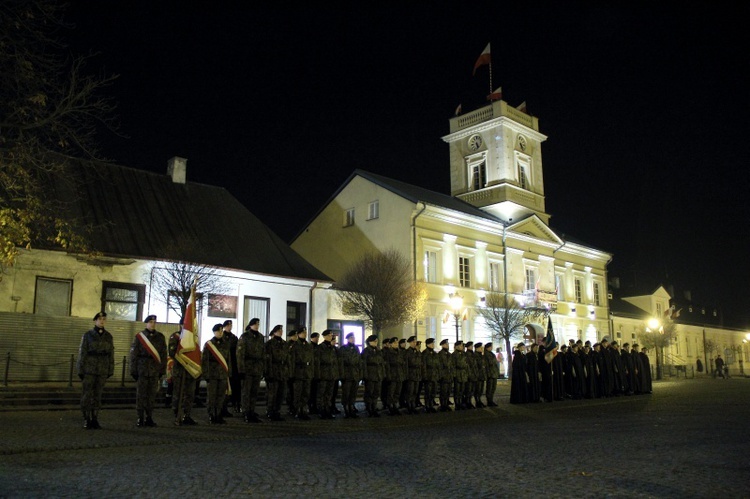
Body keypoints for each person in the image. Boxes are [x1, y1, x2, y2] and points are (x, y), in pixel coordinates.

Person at [76, 312, 114, 430]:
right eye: (99, 319)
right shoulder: (87, 335)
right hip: (89, 369)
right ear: (95, 321)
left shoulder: (108, 336)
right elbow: (82, 353)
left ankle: (95, 418)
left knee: (98, 395)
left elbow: (111, 354)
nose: (102, 321)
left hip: (102, 369)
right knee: (87, 395)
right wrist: (80, 369)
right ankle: (87, 418)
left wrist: (110, 369)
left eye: (104, 319)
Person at [129, 314, 168, 427]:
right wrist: (133, 371)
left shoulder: (160, 337)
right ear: (146, 323)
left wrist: (162, 370)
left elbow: (163, 355)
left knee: (151, 395)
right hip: (142, 369)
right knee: (141, 395)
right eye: (150, 322)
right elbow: (134, 355)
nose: (152, 324)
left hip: (154, 370)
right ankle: (140, 417)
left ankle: (149, 417)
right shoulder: (140, 337)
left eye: (154, 322)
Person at [169, 318, 198, 426]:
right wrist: (184, 358)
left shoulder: (192, 338)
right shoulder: (175, 337)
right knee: (178, 394)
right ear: (181, 325)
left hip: (189, 371)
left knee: (189, 394)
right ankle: (177, 415)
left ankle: (187, 415)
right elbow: (172, 352)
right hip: (180, 371)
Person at [202, 323, 232, 424]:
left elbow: (228, 360)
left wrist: (229, 373)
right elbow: (204, 361)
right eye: (218, 331)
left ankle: (218, 414)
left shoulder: (226, 343)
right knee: (212, 396)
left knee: (221, 396)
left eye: (221, 331)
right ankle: (211, 415)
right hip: (212, 374)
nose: (220, 332)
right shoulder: (209, 345)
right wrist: (206, 375)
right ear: (214, 332)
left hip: (223, 374)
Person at [236, 318, 265, 423]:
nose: (257, 326)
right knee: (246, 392)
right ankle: (246, 413)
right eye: (255, 324)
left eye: (258, 324)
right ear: (251, 325)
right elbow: (240, 355)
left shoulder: (260, 337)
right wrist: (241, 370)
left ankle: (252, 412)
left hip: (257, 368)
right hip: (247, 368)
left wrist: (262, 368)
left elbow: (262, 354)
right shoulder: (245, 337)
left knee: (254, 392)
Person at [264, 325, 288, 421]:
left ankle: (277, 411)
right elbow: (267, 360)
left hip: (282, 371)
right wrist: (267, 373)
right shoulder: (269, 344)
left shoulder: (284, 343)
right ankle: (270, 411)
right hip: (273, 370)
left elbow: (287, 359)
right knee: (272, 394)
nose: (281, 332)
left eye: (281, 330)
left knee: (281, 394)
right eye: (279, 330)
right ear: (274, 332)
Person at [290, 327, 314, 420]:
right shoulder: (295, 345)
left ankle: (303, 410)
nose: (305, 334)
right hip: (298, 372)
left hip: (307, 372)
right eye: (303, 333)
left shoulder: (308, 345)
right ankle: (297, 410)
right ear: (298, 334)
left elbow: (311, 360)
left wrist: (312, 372)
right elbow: (291, 360)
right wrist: (292, 373)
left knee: (306, 393)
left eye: (305, 332)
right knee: (298, 393)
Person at [314, 329, 339, 419]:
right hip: (323, 374)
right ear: (324, 336)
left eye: (331, 335)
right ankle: (321, 410)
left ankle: (327, 410)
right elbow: (317, 363)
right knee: (321, 393)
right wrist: (318, 375)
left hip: (331, 374)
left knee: (329, 394)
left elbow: (335, 362)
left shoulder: (332, 348)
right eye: (329, 335)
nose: (331, 337)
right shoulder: (320, 348)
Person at [338, 332, 362, 418]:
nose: (353, 339)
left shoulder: (356, 348)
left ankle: (351, 408)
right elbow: (341, 363)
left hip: (355, 374)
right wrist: (342, 375)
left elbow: (359, 362)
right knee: (346, 393)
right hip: (347, 374)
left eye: (354, 337)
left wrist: (360, 374)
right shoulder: (343, 349)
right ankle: (346, 409)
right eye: (351, 338)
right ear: (347, 339)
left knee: (353, 393)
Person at [361, 334, 386, 417]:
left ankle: (374, 407)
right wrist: (365, 375)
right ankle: (369, 408)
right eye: (374, 341)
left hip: (378, 375)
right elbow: (364, 364)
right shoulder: (366, 351)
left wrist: (383, 374)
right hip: (370, 375)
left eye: (376, 341)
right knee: (369, 392)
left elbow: (382, 364)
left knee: (376, 392)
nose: (376, 343)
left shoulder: (378, 351)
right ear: (369, 342)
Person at [221, 320, 240, 417]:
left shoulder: (234, 338)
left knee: (232, 388)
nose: (230, 327)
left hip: (233, 366)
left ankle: (231, 406)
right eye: (228, 325)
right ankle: (222, 408)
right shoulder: (221, 337)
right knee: (223, 389)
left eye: (231, 325)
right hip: (224, 365)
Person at [420, 338, 440, 413]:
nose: (433, 345)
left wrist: (438, 374)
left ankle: (431, 404)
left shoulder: (434, 353)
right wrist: (424, 376)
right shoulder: (425, 353)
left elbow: (438, 365)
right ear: (428, 344)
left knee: (433, 391)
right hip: (428, 375)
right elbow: (424, 366)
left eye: (433, 343)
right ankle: (427, 405)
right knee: (428, 391)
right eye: (431, 344)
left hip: (434, 375)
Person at [451, 341, 468, 410]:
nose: (462, 347)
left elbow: (466, 363)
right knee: (457, 390)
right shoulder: (454, 355)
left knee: (462, 390)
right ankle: (457, 404)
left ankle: (461, 403)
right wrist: (454, 375)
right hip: (458, 374)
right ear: (457, 346)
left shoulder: (464, 354)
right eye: (461, 345)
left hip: (463, 374)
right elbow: (454, 365)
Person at [437, 339, 453, 412]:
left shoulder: (449, 354)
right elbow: (441, 366)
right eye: (446, 344)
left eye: (448, 344)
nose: (447, 345)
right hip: (444, 375)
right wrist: (441, 376)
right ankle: (443, 405)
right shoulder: (440, 354)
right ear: (442, 345)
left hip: (449, 375)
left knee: (448, 391)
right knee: (443, 391)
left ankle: (446, 404)